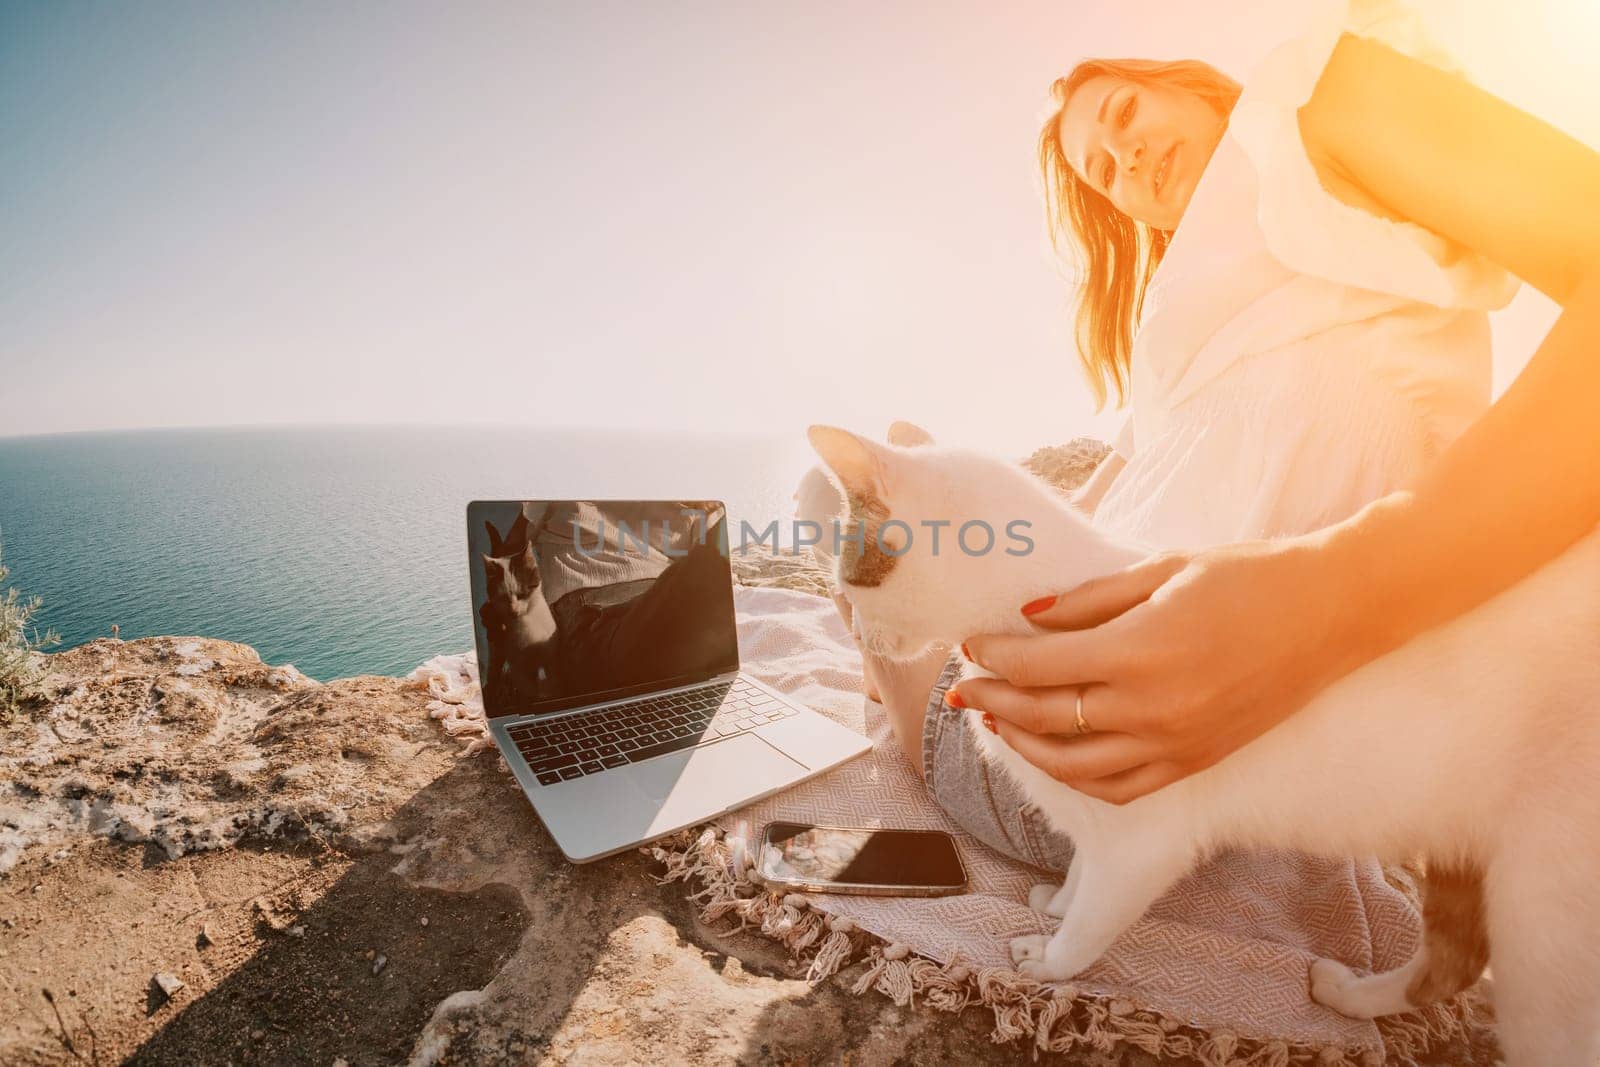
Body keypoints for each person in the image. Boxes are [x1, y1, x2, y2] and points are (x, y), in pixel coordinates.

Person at [862, 0, 1600, 870]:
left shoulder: (1310, 102)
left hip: (1086, 783)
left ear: (1196, 87)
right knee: (898, 526)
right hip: (1056, 745)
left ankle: (880, 642)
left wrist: (1346, 590)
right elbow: (1130, 494)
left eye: (1125, 115)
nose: (1126, 158)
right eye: (1104, 174)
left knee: (883, 532)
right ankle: (884, 635)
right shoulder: (1194, 318)